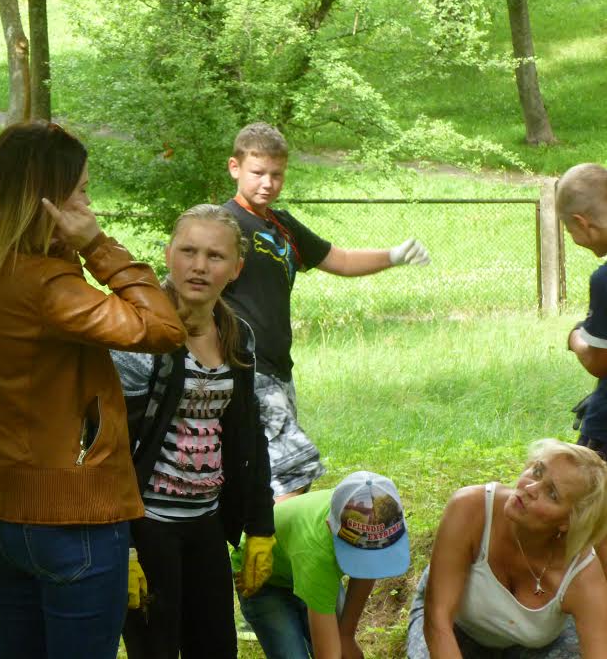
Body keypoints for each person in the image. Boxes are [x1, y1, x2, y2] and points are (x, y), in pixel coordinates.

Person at [0, 121, 187, 659]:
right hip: (72, 517)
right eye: (81, 192)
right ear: (45, 202)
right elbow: (164, 328)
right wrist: (96, 245)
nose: (88, 206)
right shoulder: (47, 288)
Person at [221, 122, 430, 499]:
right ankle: (279, 538)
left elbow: (341, 260)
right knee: (295, 470)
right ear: (235, 167)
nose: (268, 183)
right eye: (258, 172)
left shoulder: (282, 225)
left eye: (276, 174)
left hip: (279, 368)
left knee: (263, 471)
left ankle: (257, 535)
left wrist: (394, 255)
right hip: (243, 365)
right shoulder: (223, 224)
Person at [110, 203, 276, 659]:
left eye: (215, 256)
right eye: (188, 251)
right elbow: (110, 446)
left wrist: (260, 526)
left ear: (236, 269)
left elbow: (250, 435)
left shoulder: (238, 336)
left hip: (207, 523)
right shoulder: (140, 335)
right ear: (168, 255)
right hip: (148, 527)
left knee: (217, 649)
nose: (199, 266)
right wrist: (122, 545)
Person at [407, 439, 607, 658]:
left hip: (530, 645)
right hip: (456, 627)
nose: (530, 488)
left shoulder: (582, 576)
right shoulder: (470, 508)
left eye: (552, 494)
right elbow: (438, 620)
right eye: (537, 471)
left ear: (568, 521)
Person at [233, 470, 410, 659]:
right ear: (330, 527)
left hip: (301, 564)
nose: (368, 561)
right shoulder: (317, 553)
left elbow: (368, 569)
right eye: (359, 553)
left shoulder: (368, 511)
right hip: (262, 578)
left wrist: (346, 636)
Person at [558, 162, 607, 579]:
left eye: (569, 231)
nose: (574, 240)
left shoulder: (605, 278)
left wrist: (574, 336)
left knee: (590, 519)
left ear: (582, 222)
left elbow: (599, 359)